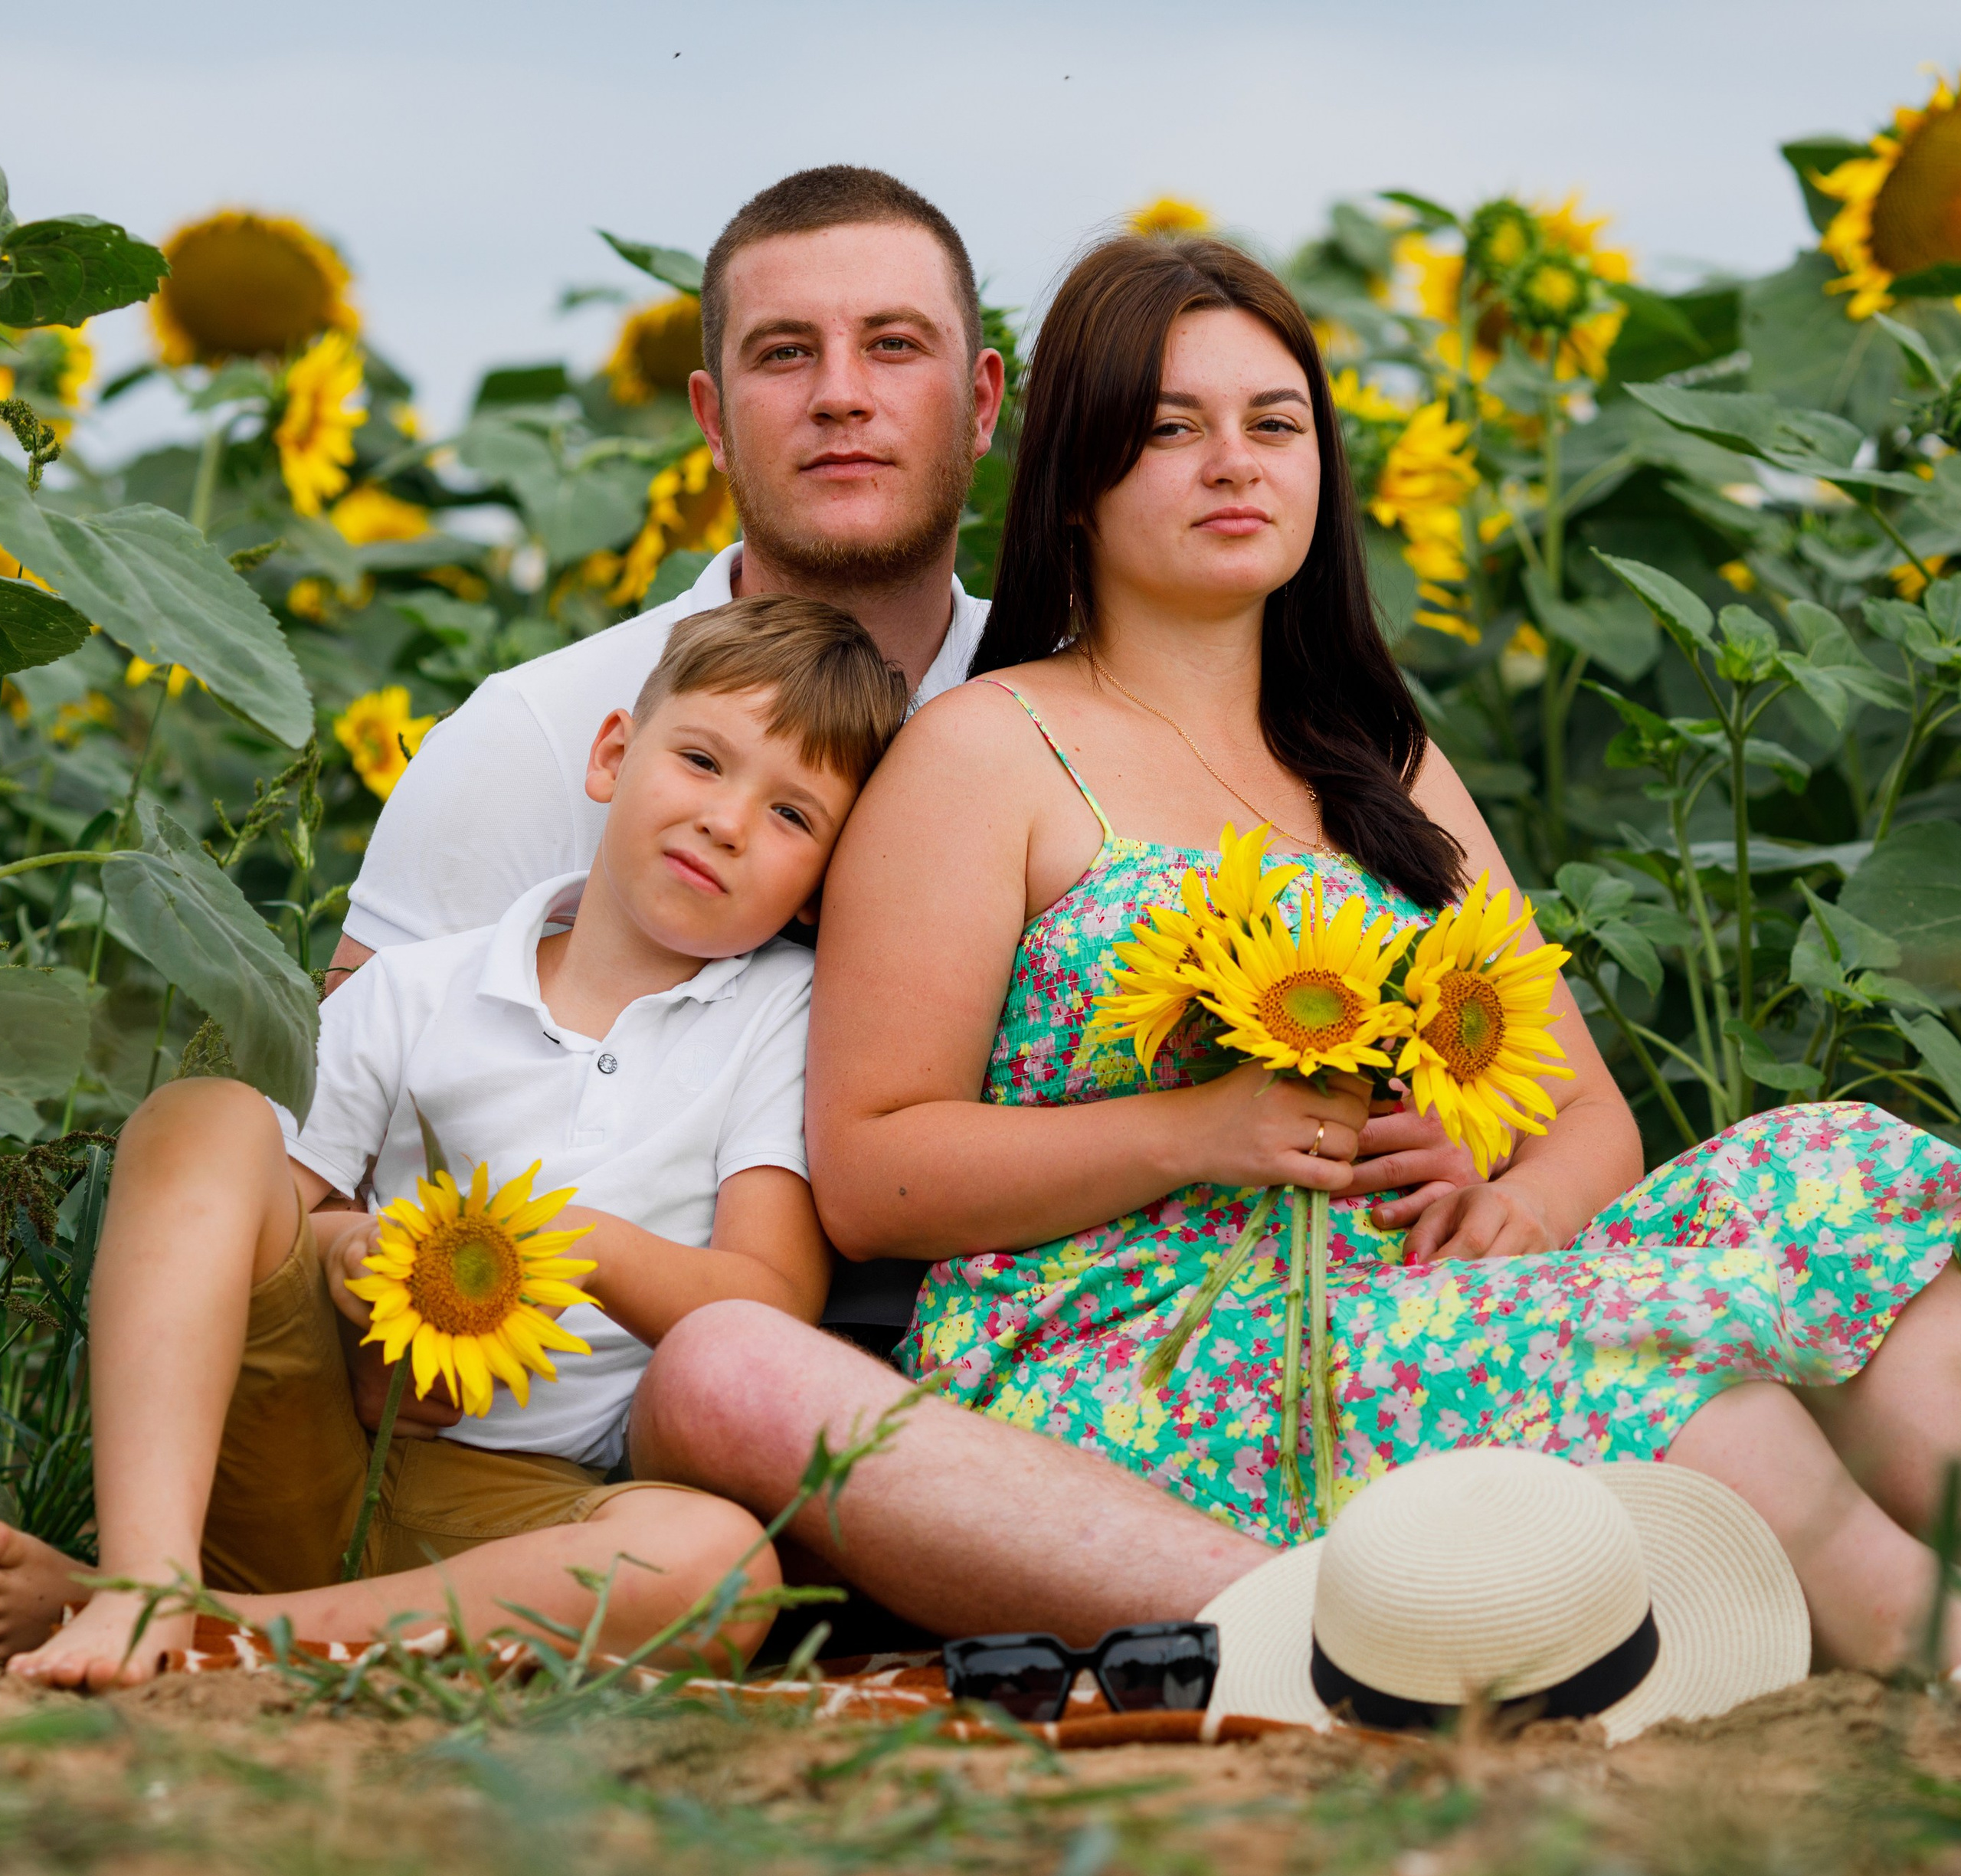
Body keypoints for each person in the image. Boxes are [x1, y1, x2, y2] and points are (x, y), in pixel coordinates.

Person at [647, 233, 1961, 1678]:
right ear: (1078, 479)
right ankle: (1922, 1652)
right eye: (1170, 429)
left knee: (1851, 1168)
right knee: (1688, 1377)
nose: (1235, 464)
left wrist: (1512, 1208)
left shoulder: (1377, 759)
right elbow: (876, 1172)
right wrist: (1200, 1131)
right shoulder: (988, 752)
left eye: (1274, 425)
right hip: (1143, 1346)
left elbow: (1589, 1118)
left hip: (1420, 1287)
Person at [330, 162, 1472, 1405]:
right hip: (599, 1378)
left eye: (893, 346)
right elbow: (340, 1108)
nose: (841, 397)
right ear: (710, 418)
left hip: (1130, 1333)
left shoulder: (1077, 704)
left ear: (984, 403)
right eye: (783, 355)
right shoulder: (544, 731)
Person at [2, 595, 909, 1688]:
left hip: (519, 1523)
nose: (727, 822)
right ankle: (150, 1573)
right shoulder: (420, 989)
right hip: (306, 1448)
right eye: (704, 761)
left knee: (722, 1567)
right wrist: (356, 1261)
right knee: (208, 1116)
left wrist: (559, 1244)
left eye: (793, 816)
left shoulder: (783, 1016)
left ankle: (199, 1630)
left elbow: (765, 1305)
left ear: (828, 881)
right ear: (614, 754)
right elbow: (255, 1223)